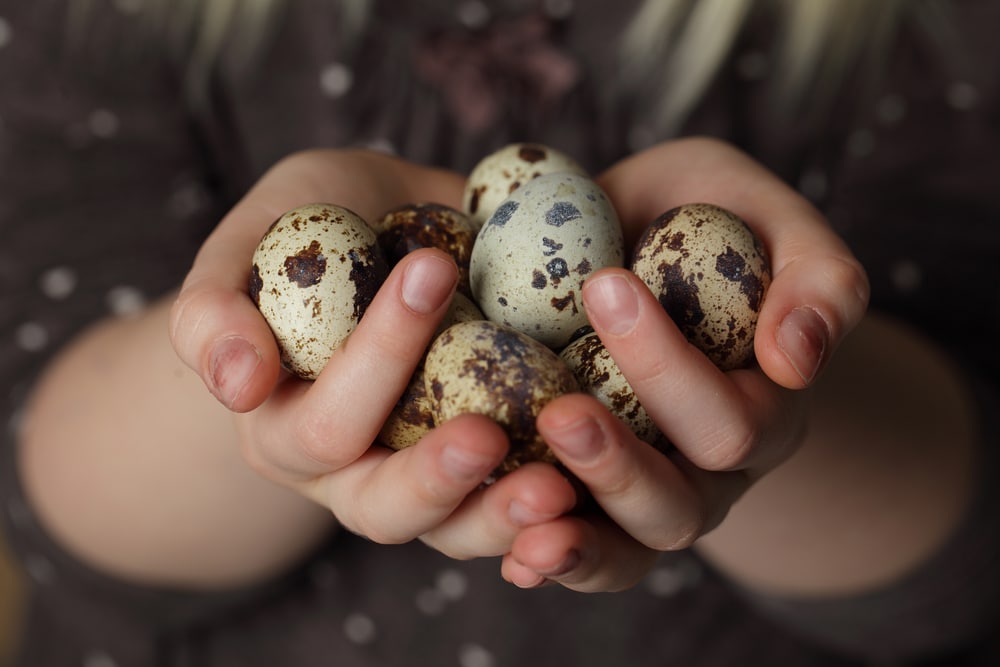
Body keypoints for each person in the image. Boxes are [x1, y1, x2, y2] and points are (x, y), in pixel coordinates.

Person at [1, 0, 998, 665]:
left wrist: (783, 368)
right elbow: (53, 518)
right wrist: (251, 369)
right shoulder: (99, 24)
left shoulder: (921, 32)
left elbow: (959, 578)